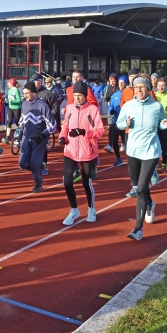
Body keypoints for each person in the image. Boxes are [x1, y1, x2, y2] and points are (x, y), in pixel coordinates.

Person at [115, 76, 167, 241]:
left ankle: (138, 228)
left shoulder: (156, 106)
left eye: (142, 87)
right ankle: (150, 203)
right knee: (139, 185)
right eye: (136, 87)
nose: (139, 90)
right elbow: (119, 124)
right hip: (133, 151)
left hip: (151, 151)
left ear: (148, 89)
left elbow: (161, 121)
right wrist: (126, 123)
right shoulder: (128, 106)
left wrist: (164, 123)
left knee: (139, 188)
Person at [59, 81, 105, 225]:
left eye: (80, 95)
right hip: (70, 151)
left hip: (87, 151)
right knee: (67, 182)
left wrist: (85, 132)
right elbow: (65, 125)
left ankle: (91, 209)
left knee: (86, 182)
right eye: (75, 96)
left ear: (85, 95)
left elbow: (100, 130)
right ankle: (74, 210)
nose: (78, 98)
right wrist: (62, 137)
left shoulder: (92, 110)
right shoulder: (69, 108)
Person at [16, 81, 56, 193]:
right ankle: (38, 167)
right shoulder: (24, 104)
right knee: (22, 163)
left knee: (34, 163)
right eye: (24, 93)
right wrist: (20, 133)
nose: (26, 95)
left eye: (28, 93)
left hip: (39, 140)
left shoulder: (42, 105)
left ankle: (38, 183)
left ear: (34, 92)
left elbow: (53, 125)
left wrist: (44, 134)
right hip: (26, 137)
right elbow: (22, 120)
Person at [33, 73, 60, 175]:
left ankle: (43, 165)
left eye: (36, 80)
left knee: (42, 145)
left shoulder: (47, 93)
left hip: (43, 124)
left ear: (41, 81)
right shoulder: (30, 92)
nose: (34, 82)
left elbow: (55, 107)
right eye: (33, 80)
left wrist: (49, 118)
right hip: (32, 123)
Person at [106, 75, 126, 166]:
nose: (121, 84)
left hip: (126, 123)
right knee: (114, 140)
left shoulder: (130, 93)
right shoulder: (115, 95)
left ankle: (133, 159)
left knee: (127, 142)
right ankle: (118, 158)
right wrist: (111, 110)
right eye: (120, 83)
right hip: (116, 122)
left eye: (123, 83)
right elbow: (110, 107)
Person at [2, 78, 22, 144]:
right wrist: (7, 103)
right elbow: (9, 100)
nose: (7, 84)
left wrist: (11, 101)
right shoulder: (9, 90)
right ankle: (7, 137)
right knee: (9, 122)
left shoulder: (16, 91)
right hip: (10, 108)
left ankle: (20, 136)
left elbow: (19, 101)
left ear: (11, 84)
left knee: (17, 123)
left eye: (8, 83)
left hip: (17, 108)